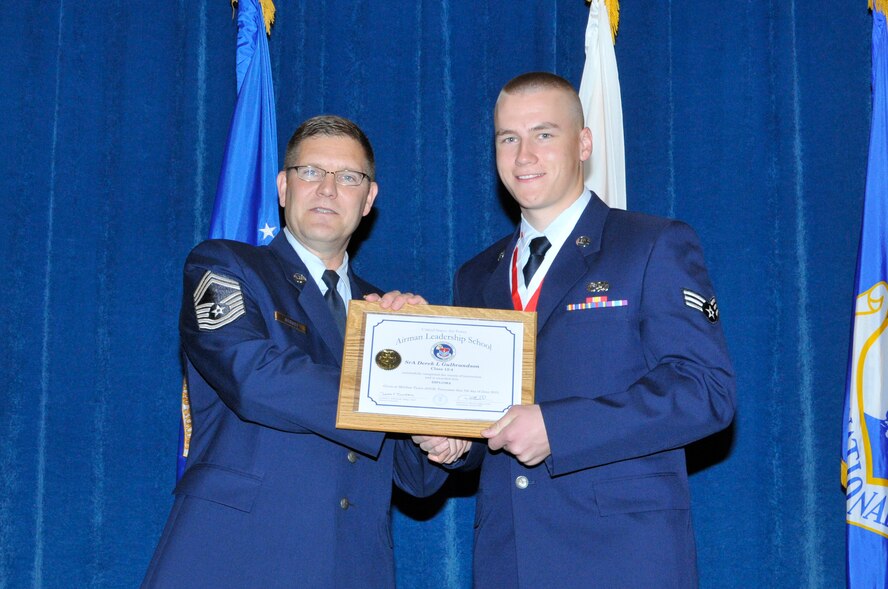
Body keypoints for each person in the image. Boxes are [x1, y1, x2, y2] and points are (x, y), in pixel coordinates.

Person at [416, 72, 736, 587]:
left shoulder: (651, 244)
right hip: (508, 559)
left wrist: (559, 429)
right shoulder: (476, 275)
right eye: (508, 138)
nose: (524, 156)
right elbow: (487, 423)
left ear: (583, 143)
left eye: (543, 134)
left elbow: (705, 392)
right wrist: (453, 444)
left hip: (621, 558)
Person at [143, 115, 455, 588]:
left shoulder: (388, 319)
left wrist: (441, 437)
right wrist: (394, 392)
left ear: (368, 199)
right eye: (311, 172)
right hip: (234, 557)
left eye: (348, 177)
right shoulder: (225, 266)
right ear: (283, 187)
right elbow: (253, 376)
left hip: (353, 565)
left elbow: (417, 480)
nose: (328, 189)